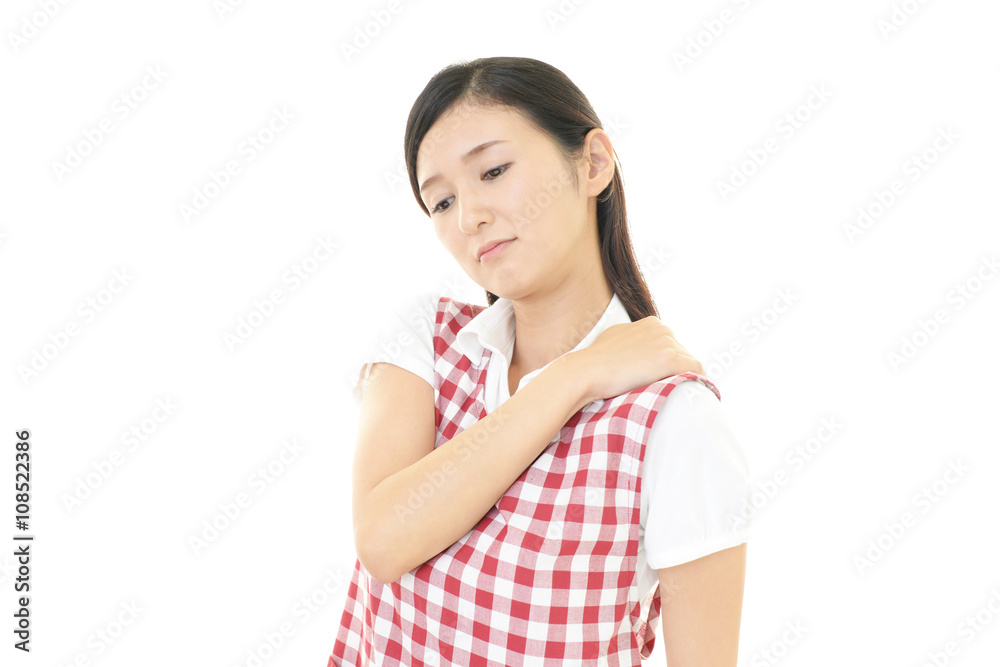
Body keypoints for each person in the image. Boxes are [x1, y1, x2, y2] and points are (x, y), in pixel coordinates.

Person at [327, 56, 751, 666]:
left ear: (593, 163)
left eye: (494, 170)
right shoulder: (428, 343)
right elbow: (384, 540)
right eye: (441, 202)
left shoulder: (675, 422)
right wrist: (574, 377)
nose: (469, 216)